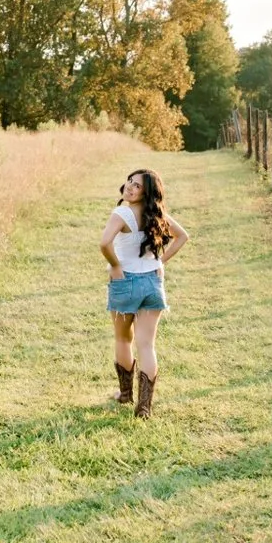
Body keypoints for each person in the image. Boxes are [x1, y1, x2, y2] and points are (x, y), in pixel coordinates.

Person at [102, 167, 189, 416]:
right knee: (147, 345)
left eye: (137, 185)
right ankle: (144, 407)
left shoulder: (122, 213)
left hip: (125, 281)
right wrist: (160, 262)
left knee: (123, 339)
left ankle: (126, 395)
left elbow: (104, 243)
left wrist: (116, 265)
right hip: (152, 282)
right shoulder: (157, 214)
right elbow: (182, 236)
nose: (130, 186)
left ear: (146, 191)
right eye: (129, 181)